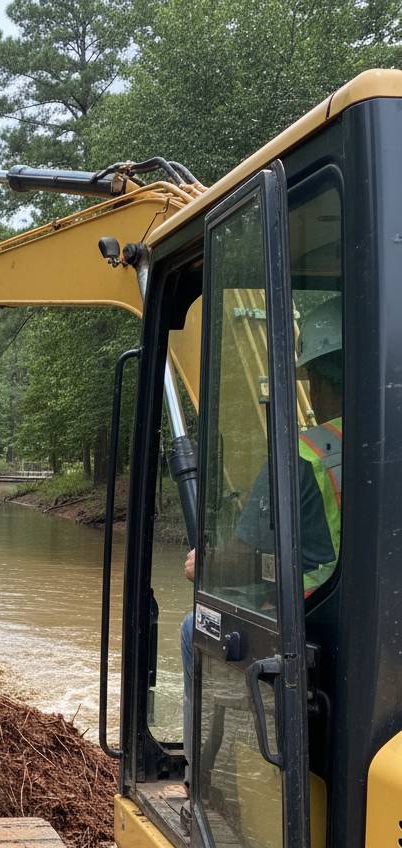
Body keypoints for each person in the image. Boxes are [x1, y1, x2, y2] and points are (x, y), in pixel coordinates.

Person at [180, 298, 343, 788]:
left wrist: (203, 566)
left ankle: (202, 783)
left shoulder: (303, 454)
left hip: (314, 621)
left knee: (196, 627)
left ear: (317, 377)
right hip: (372, 623)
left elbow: (243, 559)